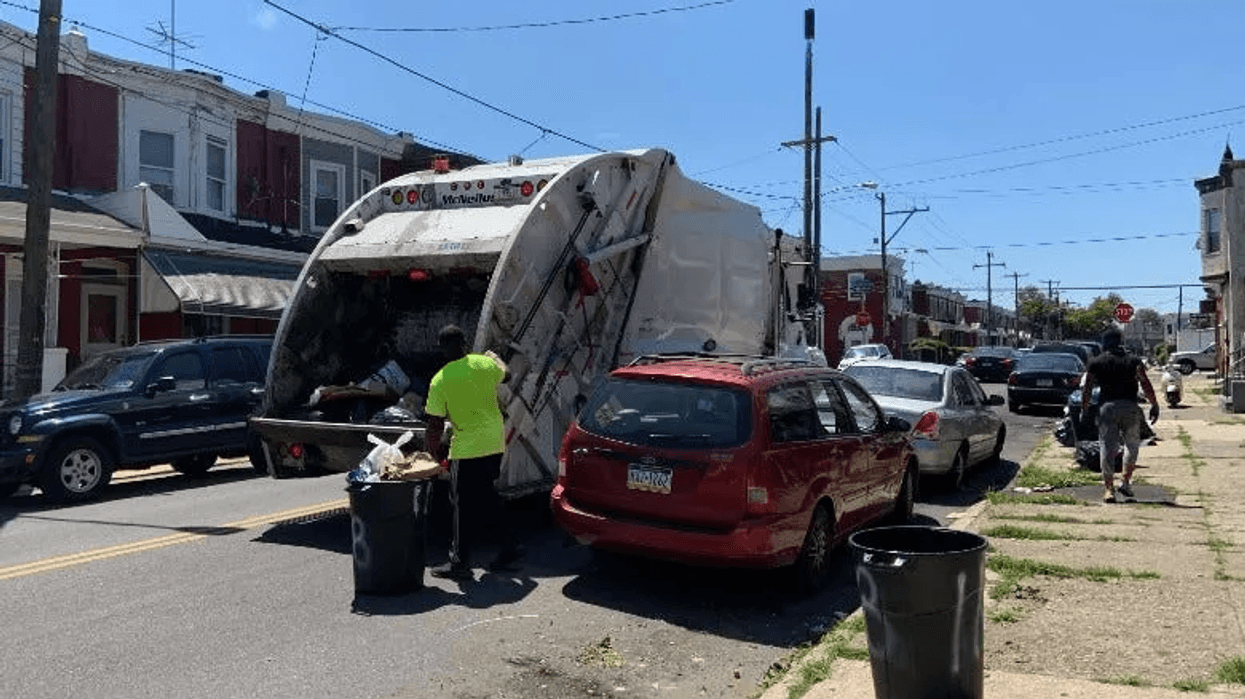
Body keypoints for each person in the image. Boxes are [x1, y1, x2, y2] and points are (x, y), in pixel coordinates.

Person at [425, 325, 525, 580]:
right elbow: (509, 375)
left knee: (461, 504)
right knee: (487, 496)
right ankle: (511, 546)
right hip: (494, 442)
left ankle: (459, 562)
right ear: (465, 343)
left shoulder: (440, 379)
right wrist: (496, 358)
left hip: (468, 448)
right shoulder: (483, 364)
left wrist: (431, 455)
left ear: (442, 348)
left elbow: (435, 424)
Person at [1081, 327, 1159, 503]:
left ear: (1104, 343)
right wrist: (1154, 403)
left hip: (1107, 408)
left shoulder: (1096, 362)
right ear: (1120, 341)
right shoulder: (1133, 361)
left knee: (1107, 447)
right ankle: (1125, 482)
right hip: (1130, 407)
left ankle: (1108, 489)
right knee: (1132, 446)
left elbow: (1087, 387)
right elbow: (1145, 383)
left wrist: (1084, 408)